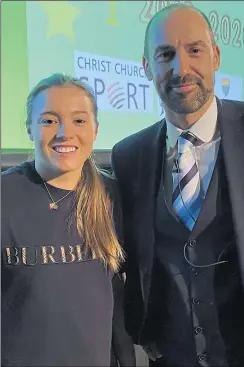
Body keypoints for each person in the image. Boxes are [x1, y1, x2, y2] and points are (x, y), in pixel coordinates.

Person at [112, 4, 244, 367]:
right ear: (145, 67)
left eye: (195, 50)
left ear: (216, 55)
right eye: (165, 54)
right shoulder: (128, 156)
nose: (181, 68)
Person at [1, 73, 129, 367]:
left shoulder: (112, 196)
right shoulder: (5, 196)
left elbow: (118, 299)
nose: (64, 132)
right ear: (29, 129)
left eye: (79, 121)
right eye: (48, 120)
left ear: (95, 130)